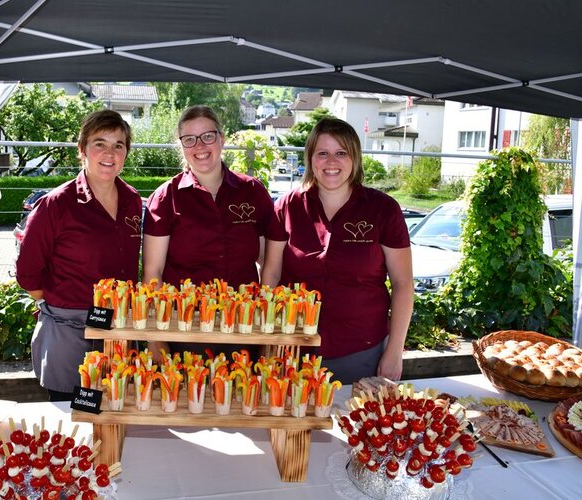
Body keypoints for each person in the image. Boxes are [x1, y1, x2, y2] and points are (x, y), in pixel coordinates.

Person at [261, 117, 413, 383]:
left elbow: (403, 284)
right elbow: (271, 275)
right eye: (323, 153)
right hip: (294, 349)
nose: (331, 162)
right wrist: (267, 339)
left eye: (341, 153)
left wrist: (394, 351)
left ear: (355, 158)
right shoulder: (287, 206)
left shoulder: (383, 209)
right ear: (310, 158)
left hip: (361, 351)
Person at [15, 110, 142, 401]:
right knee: (77, 415)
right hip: (70, 335)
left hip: (119, 329)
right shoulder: (56, 205)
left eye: (118, 145)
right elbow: (28, 273)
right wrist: (65, 306)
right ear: (82, 150)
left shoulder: (132, 200)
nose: (109, 153)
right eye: (100, 143)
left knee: (116, 410)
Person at [143, 105, 274, 355]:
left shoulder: (253, 192)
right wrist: (155, 339)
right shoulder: (165, 197)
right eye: (189, 139)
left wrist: (269, 330)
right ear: (181, 146)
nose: (200, 146)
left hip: (244, 330)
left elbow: (268, 261)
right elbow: (153, 273)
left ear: (221, 138)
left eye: (208, 136)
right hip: (185, 331)